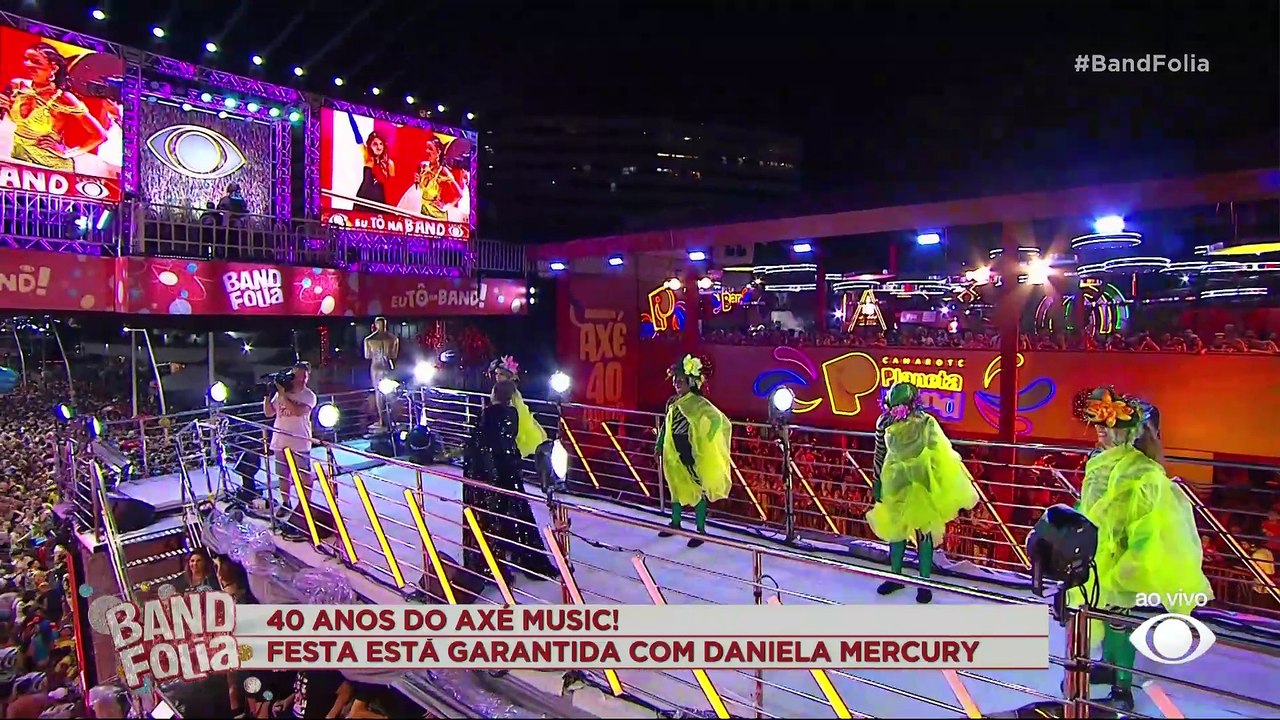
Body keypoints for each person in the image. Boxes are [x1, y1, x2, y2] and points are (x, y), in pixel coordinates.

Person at [1072, 388, 1212, 710]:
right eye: (1097, 426)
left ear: (1127, 431)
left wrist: (1129, 551)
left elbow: (1145, 514)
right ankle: (1108, 665)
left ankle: (1123, 688)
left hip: (1123, 552)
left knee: (1119, 617)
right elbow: (1093, 500)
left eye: (1107, 427)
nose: (1100, 432)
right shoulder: (1099, 458)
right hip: (1098, 547)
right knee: (1102, 611)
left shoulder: (1140, 468)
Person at [866, 382, 979, 604]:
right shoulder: (884, 422)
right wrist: (876, 480)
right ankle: (895, 576)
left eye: (902, 404)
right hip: (895, 480)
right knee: (895, 529)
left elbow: (940, 452)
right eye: (894, 404)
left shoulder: (927, 422)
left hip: (920, 481)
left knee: (923, 531)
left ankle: (924, 582)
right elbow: (879, 452)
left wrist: (937, 481)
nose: (897, 409)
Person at [461, 380, 558, 583]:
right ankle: (522, 555)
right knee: (513, 513)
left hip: (486, 473)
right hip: (504, 470)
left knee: (489, 516)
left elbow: (480, 445)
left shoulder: (487, 414)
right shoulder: (510, 414)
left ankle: (491, 562)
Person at [655, 354, 732, 548]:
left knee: (698, 488)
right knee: (674, 485)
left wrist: (706, 440)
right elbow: (665, 426)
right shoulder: (672, 402)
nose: (676, 384)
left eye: (681, 381)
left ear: (691, 382)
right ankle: (675, 523)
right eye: (675, 381)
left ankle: (700, 530)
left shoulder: (698, 403)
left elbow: (718, 420)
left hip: (690, 449)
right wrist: (658, 445)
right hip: (672, 450)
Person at [0, 43, 109, 171]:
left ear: (54, 68)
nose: (28, 64)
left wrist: (66, 153)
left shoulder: (63, 98)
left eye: (36, 61)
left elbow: (100, 135)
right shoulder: (17, 86)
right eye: (27, 59)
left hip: (52, 170)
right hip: (19, 162)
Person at [263, 362, 317, 521]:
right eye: (298, 376)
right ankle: (286, 502)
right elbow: (268, 413)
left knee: (304, 475)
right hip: (280, 440)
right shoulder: (282, 393)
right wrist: (267, 395)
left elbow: (297, 411)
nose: (301, 379)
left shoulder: (309, 396)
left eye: (304, 376)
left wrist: (282, 395)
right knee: (283, 475)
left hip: (300, 441)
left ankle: (305, 505)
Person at [489, 356, 546, 458]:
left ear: (507, 376)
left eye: (501, 374)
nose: (497, 376)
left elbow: (517, 409)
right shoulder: (499, 388)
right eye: (496, 373)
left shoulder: (513, 392)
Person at [355, 130, 393, 211]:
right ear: (370, 145)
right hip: (363, 200)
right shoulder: (368, 158)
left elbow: (392, 187)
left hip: (380, 203)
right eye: (375, 144)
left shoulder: (389, 164)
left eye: (380, 144)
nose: (379, 147)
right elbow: (358, 137)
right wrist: (350, 117)